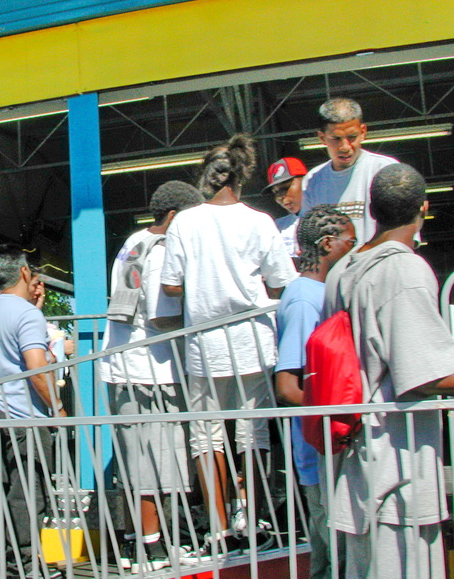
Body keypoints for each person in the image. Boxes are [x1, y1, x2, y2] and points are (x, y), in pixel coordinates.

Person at [161, 135, 297, 558]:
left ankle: (218, 527)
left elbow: (171, 284)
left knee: (207, 436)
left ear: (206, 173)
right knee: (253, 434)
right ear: (241, 175)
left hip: (203, 345)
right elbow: (281, 281)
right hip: (254, 340)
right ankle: (254, 519)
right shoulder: (260, 222)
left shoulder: (185, 222)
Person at [322, 163, 454, 577]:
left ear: (373, 212)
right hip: (398, 469)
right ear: (424, 209)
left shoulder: (342, 270)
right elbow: (426, 372)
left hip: (361, 461)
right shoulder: (404, 269)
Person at [100, 180, 203, 572]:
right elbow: (161, 315)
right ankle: (153, 547)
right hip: (151, 369)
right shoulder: (163, 251)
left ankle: (133, 542)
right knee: (153, 466)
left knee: (133, 460)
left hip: (123, 366)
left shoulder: (134, 241)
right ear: (175, 217)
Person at [0, 244, 65, 579]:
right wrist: (57, 407)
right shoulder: (27, 315)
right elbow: (36, 370)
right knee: (29, 495)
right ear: (24, 272)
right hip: (27, 418)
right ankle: (25, 565)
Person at [274, 206, 354, 579]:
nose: (354, 251)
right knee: (332, 561)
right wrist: (341, 411)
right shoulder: (306, 299)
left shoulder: (320, 292)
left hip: (332, 451)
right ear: (326, 244)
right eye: (349, 242)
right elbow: (289, 386)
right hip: (319, 455)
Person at [299, 98, 397, 244]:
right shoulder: (312, 181)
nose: (345, 147)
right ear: (322, 137)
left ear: (363, 132)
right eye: (336, 138)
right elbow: (308, 238)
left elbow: (402, 233)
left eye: (352, 137)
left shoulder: (385, 170)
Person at [264, 157, 307, 257]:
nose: (280, 196)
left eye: (286, 188)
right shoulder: (277, 227)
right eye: (275, 192)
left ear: (306, 181)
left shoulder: (324, 218)